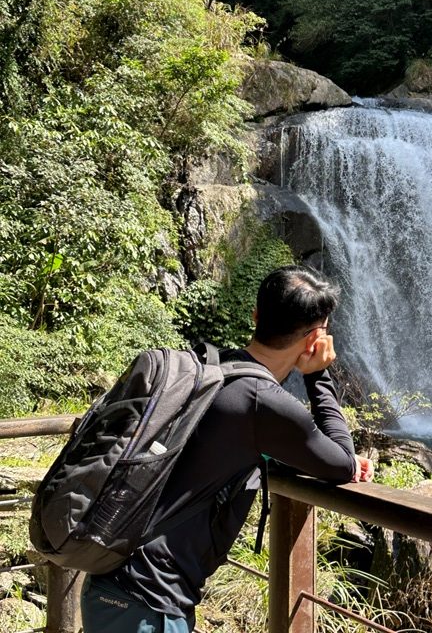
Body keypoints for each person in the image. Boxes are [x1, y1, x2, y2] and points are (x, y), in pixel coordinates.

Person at [80, 264, 373, 633]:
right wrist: (317, 373)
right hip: (148, 599)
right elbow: (343, 463)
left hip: (116, 578)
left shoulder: (212, 365)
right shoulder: (262, 403)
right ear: (316, 338)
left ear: (256, 316)